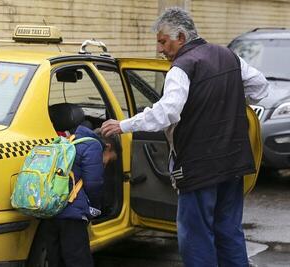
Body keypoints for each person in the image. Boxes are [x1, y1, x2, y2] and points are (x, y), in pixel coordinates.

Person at [101, 7, 269, 267]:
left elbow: (167, 112)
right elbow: (260, 87)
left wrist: (124, 125)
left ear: (180, 37)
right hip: (234, 165)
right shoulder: (228, 55)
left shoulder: (182, 66)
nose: (160, 49)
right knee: (229, 231)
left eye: (163, 41)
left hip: (198, 168)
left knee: (196, 237)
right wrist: (225, 99)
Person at [43, 125, 117, 267]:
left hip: (51, 210)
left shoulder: (70, 141)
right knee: (78, 259)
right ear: (107, 147)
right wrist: (94, 209)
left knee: (56, 259)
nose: (105, 164)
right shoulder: (93, 146)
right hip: (73, 215)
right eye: (109, 159)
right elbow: (94, 183)